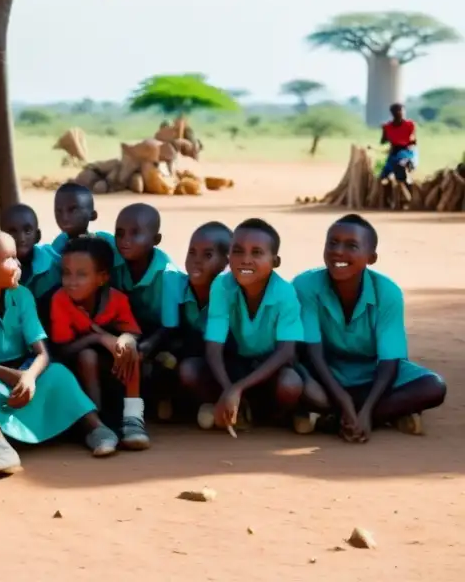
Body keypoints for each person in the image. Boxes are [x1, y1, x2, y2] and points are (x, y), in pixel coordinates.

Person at [0, 230, 118, 479]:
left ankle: (97, 429)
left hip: (24, 370)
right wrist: (13, 377)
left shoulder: (22, 295)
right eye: (8, 259)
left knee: (58, 373)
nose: (17, 264)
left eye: (15, 257)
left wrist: (29, 377)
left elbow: (42, 353)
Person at [293, 214, 446, 441]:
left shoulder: (387, 292)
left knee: (434, 387)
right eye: (332, 243)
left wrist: (366, 412)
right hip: (326, 370)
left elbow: (390, 360)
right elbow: (312, 353)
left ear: (371, 258)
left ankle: (341, 419)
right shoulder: (305, 285)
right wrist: (343, 399)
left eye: (351, 246)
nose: (338, 251)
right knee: (298, 386)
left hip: (371, 373)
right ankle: (387, 414)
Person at [183, 219, 305, 431]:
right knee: (189, 371)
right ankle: (233, 407)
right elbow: (213, 347)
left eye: (256, 253)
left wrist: (238, 389)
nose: (245, 260)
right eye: (238, 251)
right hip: (235, 365)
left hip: (269, 367)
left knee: (291, 385)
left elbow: (286, 352)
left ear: (275, 261)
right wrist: (228, 388)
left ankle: (260, 414)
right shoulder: (222, 285)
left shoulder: (285, 293)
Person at [49, 235, 149, 450]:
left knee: (132, 352)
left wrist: (126, 340)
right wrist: (98, 337)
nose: (71, 281)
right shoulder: (60, 300)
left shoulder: (117, 300)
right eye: (66, 273)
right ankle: (97, 425)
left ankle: (133, 420)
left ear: (102, 277)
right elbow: (62, 350)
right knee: (87, 356)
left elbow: (133, 332)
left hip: (112, 370)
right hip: (75, 373)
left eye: (82, 275)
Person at [111, 204, 183, 363]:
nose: (125, 241)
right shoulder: (117, 262)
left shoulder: (168, 275)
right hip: (131, 328)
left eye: (135, 234)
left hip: (162, 333)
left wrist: (148, 346)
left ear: (156, 240)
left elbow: (170, 326)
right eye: (119, 234)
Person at [174, 222, 233, 416]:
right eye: (192, 252)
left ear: (227, 262)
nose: (196, 261)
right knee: (183, 368)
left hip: (230, 365)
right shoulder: (178, 289)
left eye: (207, 255)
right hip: (198, 361)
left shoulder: (232, 295)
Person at [1, 203, 61, 319]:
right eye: (12, 232)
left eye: (27, 231)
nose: (21, 238)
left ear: (37, 236)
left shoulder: (52, 262)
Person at [51, 183, 122, 266]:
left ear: (92, 215)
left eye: (72, 210)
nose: (64, 217)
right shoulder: (59, 244)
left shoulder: (105, 242)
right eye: (59, 211)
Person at [379, 103, 418, 185]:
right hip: (394, 153)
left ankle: (406, 180)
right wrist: (384, 131)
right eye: (397, 111)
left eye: (401, 111)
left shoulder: (410, 125)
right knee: (382, 176)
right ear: (392, 113)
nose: (400, 114)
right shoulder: (388, 127)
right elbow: (383, 141)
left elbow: (414, 142)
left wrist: (408, 142)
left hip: (406, 152)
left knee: (400, 166)